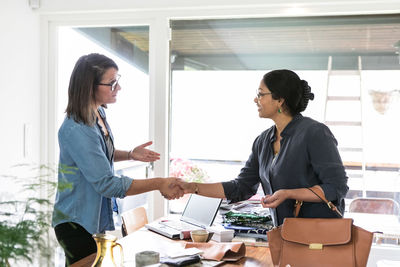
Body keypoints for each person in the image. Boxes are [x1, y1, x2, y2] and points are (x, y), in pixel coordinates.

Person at [52, 53, 183, 266]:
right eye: (112, 83)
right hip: (76, 223)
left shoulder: (98, 115)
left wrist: (130, 154)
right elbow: (107, 184)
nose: (118, 88)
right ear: (89, 86)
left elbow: (97, 155)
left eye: (117, 81)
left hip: (91, 219)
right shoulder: (77, 128)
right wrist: (159, 183)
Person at [180, 69, 349, 226]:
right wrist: (193, 187)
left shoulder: (315, 133)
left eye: (260, 94)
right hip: (285, 235)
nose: (256, 99)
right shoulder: (262, 141)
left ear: (280, 100)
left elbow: (336, 187)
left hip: (319, 238)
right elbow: (241, 187)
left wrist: (289, 193)